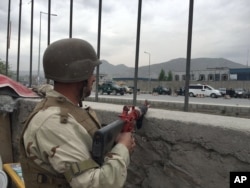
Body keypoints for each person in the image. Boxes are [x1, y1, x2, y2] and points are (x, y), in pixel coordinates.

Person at [19, 38, 136, 188]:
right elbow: (96, 184)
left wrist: (114, 142)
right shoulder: (53, 122)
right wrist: (122, 148)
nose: (93, 78)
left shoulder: (66, 107)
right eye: (91, 72)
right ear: (79, 75)